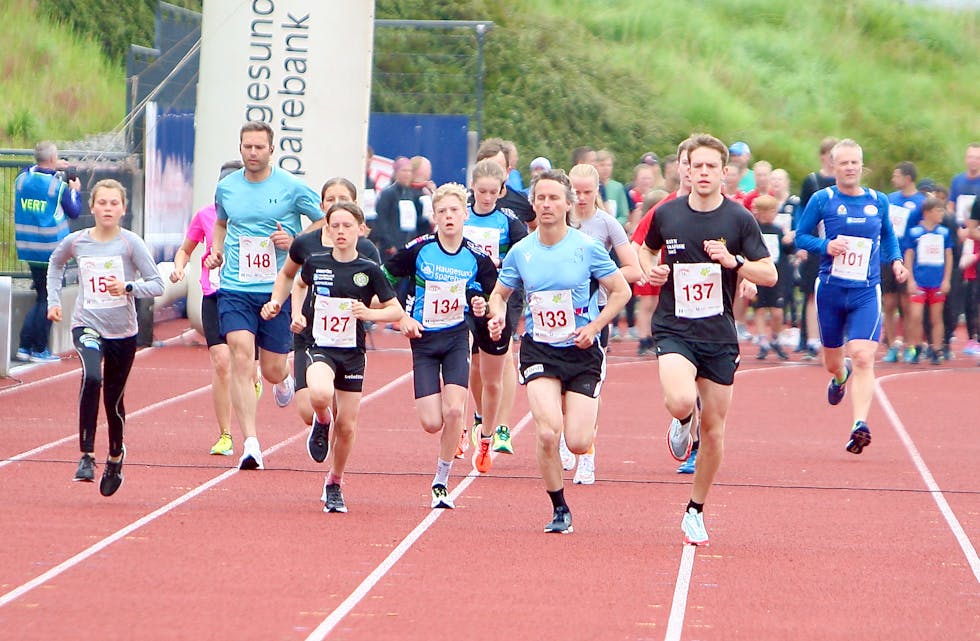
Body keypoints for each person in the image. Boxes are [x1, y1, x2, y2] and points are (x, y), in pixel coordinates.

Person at [638, 133, 776, 545]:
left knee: (715, 431)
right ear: (686, 169)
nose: (702, 172)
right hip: (674, 327)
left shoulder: (739, 219)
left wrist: (734, 262)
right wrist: (650, 270)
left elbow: (769, 273)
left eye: (710, 166)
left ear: (724, 172)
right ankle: (684, 421)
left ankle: (695, 510)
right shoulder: (667, 214)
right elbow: (645, 250)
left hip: (718, 334)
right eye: (696, 165)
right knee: (681, 399)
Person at [486, 168, 631, 534]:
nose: (547, 204)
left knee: (578, 442)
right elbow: (499, 294)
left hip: (582, 351)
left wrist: (594, 327)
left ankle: (578, 412)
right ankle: (559, 507)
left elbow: (621, 291)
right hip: (540, 350)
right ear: (533, 204)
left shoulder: (587, 248)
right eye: (541, 198)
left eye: (554, 198)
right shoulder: (522, 251)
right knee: (548, 433)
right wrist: (497, 315)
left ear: (568, 204)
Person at [261, 201, 403, 512]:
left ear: (360, 230)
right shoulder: (316, 263)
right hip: (319, 346)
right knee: (321, 395)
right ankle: (322, 421)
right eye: (334, 226)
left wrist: (368, 313)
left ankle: (334, 482)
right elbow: (299, 284)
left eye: (347, 226)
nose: (340, 231)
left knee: (348, 427)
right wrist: (297, 314)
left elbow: (395, 310)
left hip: (352, 353)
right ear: (327, 229)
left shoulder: (369, 269)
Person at [204, 121, 324, 471]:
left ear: (272, 150)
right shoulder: (226, 187)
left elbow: (322, 221)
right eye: (247, 147)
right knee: (241, 356)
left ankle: (283, 378)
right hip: (235, 288)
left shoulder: (291, 187)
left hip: (276, 289)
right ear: (240, 148)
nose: (253, 153)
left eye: (259, 147)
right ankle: (251, 444)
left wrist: (295, 241)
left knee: (270, 369)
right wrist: (217, 251)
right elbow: (221, 223)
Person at [382, 183, 498, 509]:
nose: (448, 216)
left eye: (454, 211)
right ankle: (451, 433)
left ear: (465, 215)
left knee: (455, 410)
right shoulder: (419, 250)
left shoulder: (477, 257)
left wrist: (482, 306)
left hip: (457, 337)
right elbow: (384, 279)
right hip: (423, 340)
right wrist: (401, 316)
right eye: (442, 211)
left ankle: (441, 481)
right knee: (432, 422)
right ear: (434, 216)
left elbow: (494, 296)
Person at [46, 179, 164, 495]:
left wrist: (128, 287)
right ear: (92, 207)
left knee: (113, 400)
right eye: (102, 203)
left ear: (123, 209)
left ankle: (115, 456)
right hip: (87, 324)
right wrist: (54, 301)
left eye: (114, 203)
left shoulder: (130, 243)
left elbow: (157, 284)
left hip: (122, 332)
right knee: (92, 377)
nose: (108, 208)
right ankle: (86, 455)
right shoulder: (76, 241)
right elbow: (55, 264)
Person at [795, 138, 907, 456]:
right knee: (832, 362)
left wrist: (896, 261)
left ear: (861, 165)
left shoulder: (878, 200)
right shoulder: (823, 199)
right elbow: (800, 236)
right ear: (833, 166)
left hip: (865, 291)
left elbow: (888, 235)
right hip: (831, 290)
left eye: (855, 162)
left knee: (863, 355)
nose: (850, 168)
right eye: (843, 163)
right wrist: (825, 246)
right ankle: (840, 376)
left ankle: (859, 424)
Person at [170, 160, 263, 457]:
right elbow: (185, 249)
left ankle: (253, 380)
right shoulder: (205, 215)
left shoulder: (258, 215)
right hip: (215, 295)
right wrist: (179, 267)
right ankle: (225, 435)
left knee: (245, 367)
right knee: (222, 363)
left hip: (246, 296)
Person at [560, 162, 640, 485]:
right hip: (559, 312)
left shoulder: (607, 224)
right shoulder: (558, 219)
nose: (581, 198)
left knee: (589, 385)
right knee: (559, 385)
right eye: (576, 192)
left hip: (596, 313)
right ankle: (566, 435)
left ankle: (588, 454)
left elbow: (633, 269)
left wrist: (601, 277)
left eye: (587, 192)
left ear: (597, 192)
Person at [462, 159, 528, 474]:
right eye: (482, 191)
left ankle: (500, 426)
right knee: (474, 363)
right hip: (467, 293)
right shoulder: (462, 216)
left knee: (502, 361)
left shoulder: (508, 222)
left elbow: (524, 256)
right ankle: (480, 415)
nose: (487, 197)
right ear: (473, 189)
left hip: (501, 295)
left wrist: (502, 265)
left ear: (501, 191)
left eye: (493, 192)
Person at [13, 141, 82, 363]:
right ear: (53, 159)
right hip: (51, 250)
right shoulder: (57, 186)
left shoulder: (22, 179)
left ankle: (25, 346)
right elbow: (74, 211)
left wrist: (51, 166)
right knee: (48, 299)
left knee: (41, 296)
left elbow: (30, 169)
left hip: (29, 248)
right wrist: (75, 191)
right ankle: (38, 348)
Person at [795, 137, 839, 359]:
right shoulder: (812, 181)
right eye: (830, 155)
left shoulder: (844, 183)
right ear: (822, 156)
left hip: (840, 243)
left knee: (838, 292)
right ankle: (812, 341)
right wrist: (800, 244)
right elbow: (801, 213)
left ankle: (835, 340)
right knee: (813, 292)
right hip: (815, 243)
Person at [882, 161, 925, 362]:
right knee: (889, 303)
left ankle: (910, 345)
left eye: (896, 176)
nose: (893, 179)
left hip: (907, 259)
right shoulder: (890, 199)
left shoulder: (921, 202)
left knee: (907, 305)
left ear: (907, 178)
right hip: (886, 257)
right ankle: (892, 346)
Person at [902, 197, 953, 365]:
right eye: (938, 211)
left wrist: (946, 280)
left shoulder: (944, 232)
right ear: (927, 213)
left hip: (937, 281)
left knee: (936, 317)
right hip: (919, 280)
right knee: (915, 315)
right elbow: (909, 255)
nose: (941, 214)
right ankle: (917, 346)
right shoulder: (915, 232)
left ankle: (936, 349)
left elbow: (948, 256)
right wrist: (910, 279)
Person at [751, 195, 791, 360]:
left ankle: (775, 338)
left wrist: (789, 242)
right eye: (770, 211)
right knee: (759, 309)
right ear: (761, 212)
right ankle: (762, 342)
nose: (773, 214)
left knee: (777, 312)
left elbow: (787, 251)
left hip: (776, 275)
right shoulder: (754, 230)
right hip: (758, 273)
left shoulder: (778, 230)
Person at [372, 156, 426, 256]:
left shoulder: (413, 194)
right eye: (404, 171)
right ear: (396, 173)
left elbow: (419, 220)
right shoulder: (388, 193)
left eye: (409, 171)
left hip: (409, 246)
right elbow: (381, 220)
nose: (407, 174)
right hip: (392, 248)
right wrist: (389, 244)